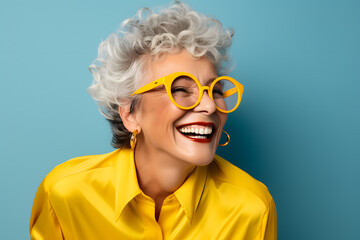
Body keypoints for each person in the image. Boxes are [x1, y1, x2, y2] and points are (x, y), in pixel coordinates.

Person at [30, 2, 276, 239]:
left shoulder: (252, 208)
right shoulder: (64, 194)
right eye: (181, 89)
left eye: (216, 90)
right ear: (130, 113)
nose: (210, 105)